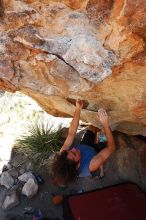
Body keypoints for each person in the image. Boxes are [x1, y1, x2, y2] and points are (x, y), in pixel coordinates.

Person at [50, 100, 115, 186]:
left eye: (70, 151)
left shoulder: (65, 154)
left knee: (92, 127)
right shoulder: (91, 165)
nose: (73, 148)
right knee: (104, 140)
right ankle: (100, 168)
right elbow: (111, 148)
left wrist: (78, 109)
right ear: (78, 165)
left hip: (85, 146)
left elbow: (71, 132)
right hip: (94, 153)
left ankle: (99, 135)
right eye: (74, 153)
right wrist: (105, 124)